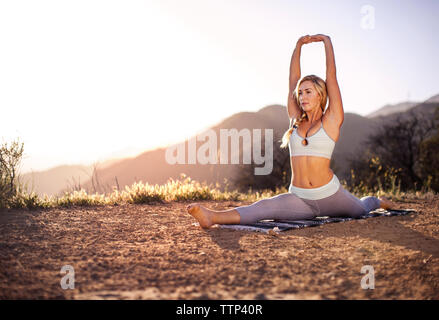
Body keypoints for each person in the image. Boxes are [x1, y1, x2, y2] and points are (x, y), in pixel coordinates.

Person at [186, 34, 397, 229]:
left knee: (361, 209)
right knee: (263, 208)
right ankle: (212, 217)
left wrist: (326, 43)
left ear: (320, 95)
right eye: (301, 93)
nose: (303, 97)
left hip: (331, 195)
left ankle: (377, 200)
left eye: (308, 92)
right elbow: (292, 80)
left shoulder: (332, 120)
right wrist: (298, 47)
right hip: (299, 198)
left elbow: (331, 77)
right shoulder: (296, 119)